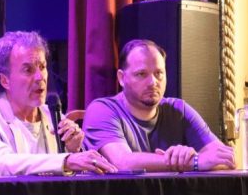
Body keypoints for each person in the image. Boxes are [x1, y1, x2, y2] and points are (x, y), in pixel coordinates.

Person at [0, 31, 116, 176]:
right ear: (5, 81)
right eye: (28, 70)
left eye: (42, 67)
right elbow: (2, 163)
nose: (40, 77)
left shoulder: (53, 116)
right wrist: (66, 160)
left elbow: (71, 174)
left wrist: (74, 149)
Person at [83, 38, 235, 172]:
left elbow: (227, 159)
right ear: (122, 78)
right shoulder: (101, 110)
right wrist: (192, 162)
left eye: (159, 73)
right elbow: (123, 162)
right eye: (141, 74)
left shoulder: (178, 109)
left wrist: (191, 158)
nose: (153, 82)